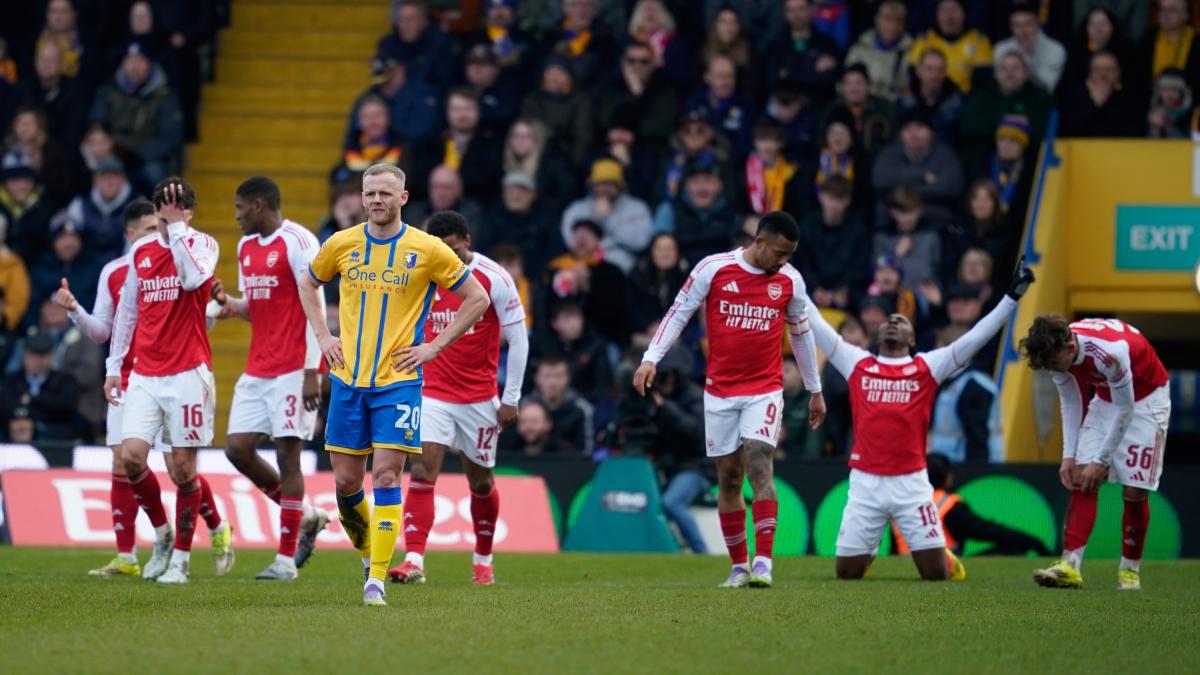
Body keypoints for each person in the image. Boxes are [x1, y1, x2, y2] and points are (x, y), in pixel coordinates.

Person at [296, 163, 488, 607]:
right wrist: (324, 337)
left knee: (386, 473)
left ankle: (376, 581)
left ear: (403, 198)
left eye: (385, 193)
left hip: (399, 382)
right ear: (362, 198)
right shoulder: (341, 244)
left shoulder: (428, 249)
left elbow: (477, 298)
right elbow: (308, 283)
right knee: (346, 482)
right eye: (370, 193)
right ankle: (369, 557)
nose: (376, 200)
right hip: (347, 381)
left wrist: (434, 347)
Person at [809, 256, 1034, 581]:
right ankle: (868, 549)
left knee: (934, 575)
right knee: (847, 574)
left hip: (911, 484)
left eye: (902, 322)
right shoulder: (856, 362)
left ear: (913, 340)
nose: (893, 323)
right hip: (865, 482)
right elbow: (818, 325)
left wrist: (1010, 299)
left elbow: (975, 338)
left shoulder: (928, 366)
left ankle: (942, 557)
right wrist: (795, 285)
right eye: (889, 320)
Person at [634, 211, 826, 588]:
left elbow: (801, 335)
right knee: (729, 477)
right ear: (759, 243)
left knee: (758, 459)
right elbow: (679, 312)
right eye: (779, 253)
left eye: (789, 255)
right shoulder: (714, 268)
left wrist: (814, 388)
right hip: (720, 390)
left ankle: (764, 562)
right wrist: (650, 358)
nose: (783, 261)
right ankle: (739, 567)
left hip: (764, 388)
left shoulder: (790, 281)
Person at [388, 211, 528, 587]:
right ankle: (414, 559)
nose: (447, 257)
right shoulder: (420, 274)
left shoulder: (495, 278)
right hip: (431, 391)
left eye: (452, 249)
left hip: (480, 398)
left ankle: (483, 561)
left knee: (481, 481)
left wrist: (510, 397)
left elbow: (519, 339)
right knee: (421, 470)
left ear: (466, 241)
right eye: (440, 250)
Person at [102, 178, 232, 585]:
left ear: (188, 212)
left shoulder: (204, 245)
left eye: (173, 212)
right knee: (132, 457)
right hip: (145, 372)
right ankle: (162, 534)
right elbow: (127, 314)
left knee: (181, 468)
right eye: (161, 213)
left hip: (189, 373)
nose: (164, 220)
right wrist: (113, 366)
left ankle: (181, 560)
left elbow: (194, 280)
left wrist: (177, 230)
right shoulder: (140, 251)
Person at [206, 177, 331, 580]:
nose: (236, 216)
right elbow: (256, 308)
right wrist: (228, 305)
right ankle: (307, 516)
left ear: (259, 205)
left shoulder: (300, 242)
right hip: (259, 366)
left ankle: (284, 560)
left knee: (287, 456)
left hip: (296, 367)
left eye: (240, 207)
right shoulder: (244, 248)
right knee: (237, 450)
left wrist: (314, 370)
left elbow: (317, 305)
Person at [1019, 316, 1171, 592]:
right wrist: (1069, 456)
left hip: (1146, 399)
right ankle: (1070, 565)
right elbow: (1070, 400)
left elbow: (1126, 411)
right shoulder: (1055, 352)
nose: (1054, 369)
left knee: (1135, 491)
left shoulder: (1110, 353)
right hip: (1106, 396)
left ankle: (1129, 570)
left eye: (1054, 363)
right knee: (1081, 476)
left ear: (1069, 346)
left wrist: (1101, 461)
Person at [54, 199, 160, 575]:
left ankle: (210, 530)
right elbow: (102, 331)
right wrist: (74, 310)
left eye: (159, 227)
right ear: (130, 235)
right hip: (128, 380)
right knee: (122, 462)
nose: (156, 234)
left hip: (171, 376)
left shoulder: (174, 263)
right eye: (149, 229)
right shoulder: (114, 272)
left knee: (183, 465)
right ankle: (127, 555)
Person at [893, 453, 1053, 556]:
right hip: (941, 565)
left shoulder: (903, 503)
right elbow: (989, 531)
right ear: (947, 477)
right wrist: (1033, 542)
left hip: (905, 564)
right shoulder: (948, 505)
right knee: (1014, 550)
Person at [89, 41, 182, 188]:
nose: (134, 66)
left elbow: (171, 135)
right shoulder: (108, 90)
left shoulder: (164, 95)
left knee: (154, 173)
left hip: (148, 156)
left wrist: (139, 155)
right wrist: (109, 147)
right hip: (114, 152)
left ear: (149, 63)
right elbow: (97, 123)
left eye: (140, 60)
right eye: (130, 60)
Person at [872, 109, 963, 228]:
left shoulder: (946, 155)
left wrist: (901, 195)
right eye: (907, 128)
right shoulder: (888, 153)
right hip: (891, 226)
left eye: (920, 127)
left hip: (936, 223)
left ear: (931, 132)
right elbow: (880, 180)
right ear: (901, 134)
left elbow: (951, 187)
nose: (913, 134)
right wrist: (921, 176)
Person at [560, 158, 653, 274]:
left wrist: (608, 218)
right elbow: (569, 240)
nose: (604, 189)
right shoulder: (577, 209)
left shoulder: (637, 208)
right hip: (580, 264)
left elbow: (641, 242)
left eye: (610, 184)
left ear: (620, 185)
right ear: (591, 186)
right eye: (599, 183)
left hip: (618, 266)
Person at [793, 175, 870, 312]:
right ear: (821, 196)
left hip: (846, 295)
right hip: (809, 290)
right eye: (830, 198)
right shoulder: (807, 225)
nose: (834, 204)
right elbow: (802, 261)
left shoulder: (859, 230)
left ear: (848, 200)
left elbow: (859, 267)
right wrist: (815, 288)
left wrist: (843, 289)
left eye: (840, 199)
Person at [928, 326, 1003, 463]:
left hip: (968, 471)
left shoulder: (974, 386)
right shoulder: (952, 383)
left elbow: (978, 438)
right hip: (951, 469)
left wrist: (972, 474)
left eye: (938, 349)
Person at [653, 156, 740, 265]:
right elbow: (660, 241)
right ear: (686, 186)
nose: (701, 188)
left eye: (708, 182)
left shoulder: (732, 211)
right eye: (695, 182)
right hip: (681, 273)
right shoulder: (670, 209)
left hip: (723, 274)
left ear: (720, 185)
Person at [0, 330, 79, 442]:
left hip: (53, 437)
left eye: (41, 356)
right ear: (24, 355)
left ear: (51, 356)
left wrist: (31, 400)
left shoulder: (64, 380)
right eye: (32, 355)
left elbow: (65, 406)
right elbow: (6, 407)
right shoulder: (12, 380)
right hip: (12, 436)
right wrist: (41, 407)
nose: (36, 361)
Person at [907, 0, 992, 94]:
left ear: (963, 13)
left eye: (954, 10)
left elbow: (984, 81)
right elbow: (914, 77)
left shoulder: (979, 40)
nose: (949, 16)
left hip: (966, 100)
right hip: (930, 98)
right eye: (944, 10)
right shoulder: (924, 40)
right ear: (937, 15)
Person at [764, 0, 841, 104]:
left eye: (801, 9)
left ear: (811, 10)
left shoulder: (826, 44)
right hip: (785, 108)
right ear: (784, 13)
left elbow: (828, 81)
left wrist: (789, 75)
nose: (796, 14)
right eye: (791, 10)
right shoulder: (776, 46)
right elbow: (771, 82)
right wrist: (811, 74)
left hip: (818, 108)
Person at [65, 158, 136, 263]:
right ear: (95, 180)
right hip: (86, 269)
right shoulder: (79, 205)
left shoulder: (136, 205)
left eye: (114, 177)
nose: (109, 182)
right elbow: (69, 238)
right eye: (104, 178)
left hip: (123, 267)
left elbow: (137, 246)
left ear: (123, 179)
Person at [375, 0, 454, 93]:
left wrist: (406, 72)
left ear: (423, 22)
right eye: (401, 20)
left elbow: (442, 80)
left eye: (409, 20)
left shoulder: (439, 43)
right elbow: (379, 78)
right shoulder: (387, 44)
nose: (404, 26)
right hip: (393, 97)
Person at [845, 1, 913, 102]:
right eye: (887, 19)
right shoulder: (860, 49)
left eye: (898, 21)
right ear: (877, 20)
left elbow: (905, 88)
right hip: (862, 102)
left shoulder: (909, 52)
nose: (892, 26)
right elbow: (845, 82)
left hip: (891, 105)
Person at [896, 48, 965, 146]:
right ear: (918, 71)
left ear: (945, 72)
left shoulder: (956, 101)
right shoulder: (906, 98)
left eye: (940, 70)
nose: (935, 75)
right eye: (929, 69)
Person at [993, 1, 1067, 92]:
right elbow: (998, 85)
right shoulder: (1001, 49)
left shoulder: (1055, 50)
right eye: (1017, 25)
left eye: (1027, 24)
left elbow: (1046, 89)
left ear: (1037, 24)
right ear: (1011, 27)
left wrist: (1023, 59)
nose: (1022, 31)